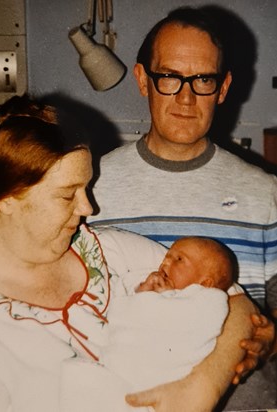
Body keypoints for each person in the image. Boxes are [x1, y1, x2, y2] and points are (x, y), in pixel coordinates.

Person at [0, 94, 256, 412]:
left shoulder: (104, 249)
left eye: (86, 187)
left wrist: (203, 388)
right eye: (67, 195)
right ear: (5, 198)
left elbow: (233, 299)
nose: (88, 207)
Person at [89, 5, 277, 410]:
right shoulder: (86, 188)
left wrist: (273, 340)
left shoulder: (266, 195)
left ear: (223, 88)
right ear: (143, 80)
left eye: (203, 80)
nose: (187, 98)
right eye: (170, 78)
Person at [60, 236, 239, 412]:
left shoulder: (208, 303)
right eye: (167, 257)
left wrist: (169, 300)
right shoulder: (155, 284)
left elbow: (192, 326)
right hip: (123, 363)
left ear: (205, 283)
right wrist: (142, 291)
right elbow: (124, 310)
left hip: (163, 378)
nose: (165, 263)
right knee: (75, 374)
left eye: (179, 259)